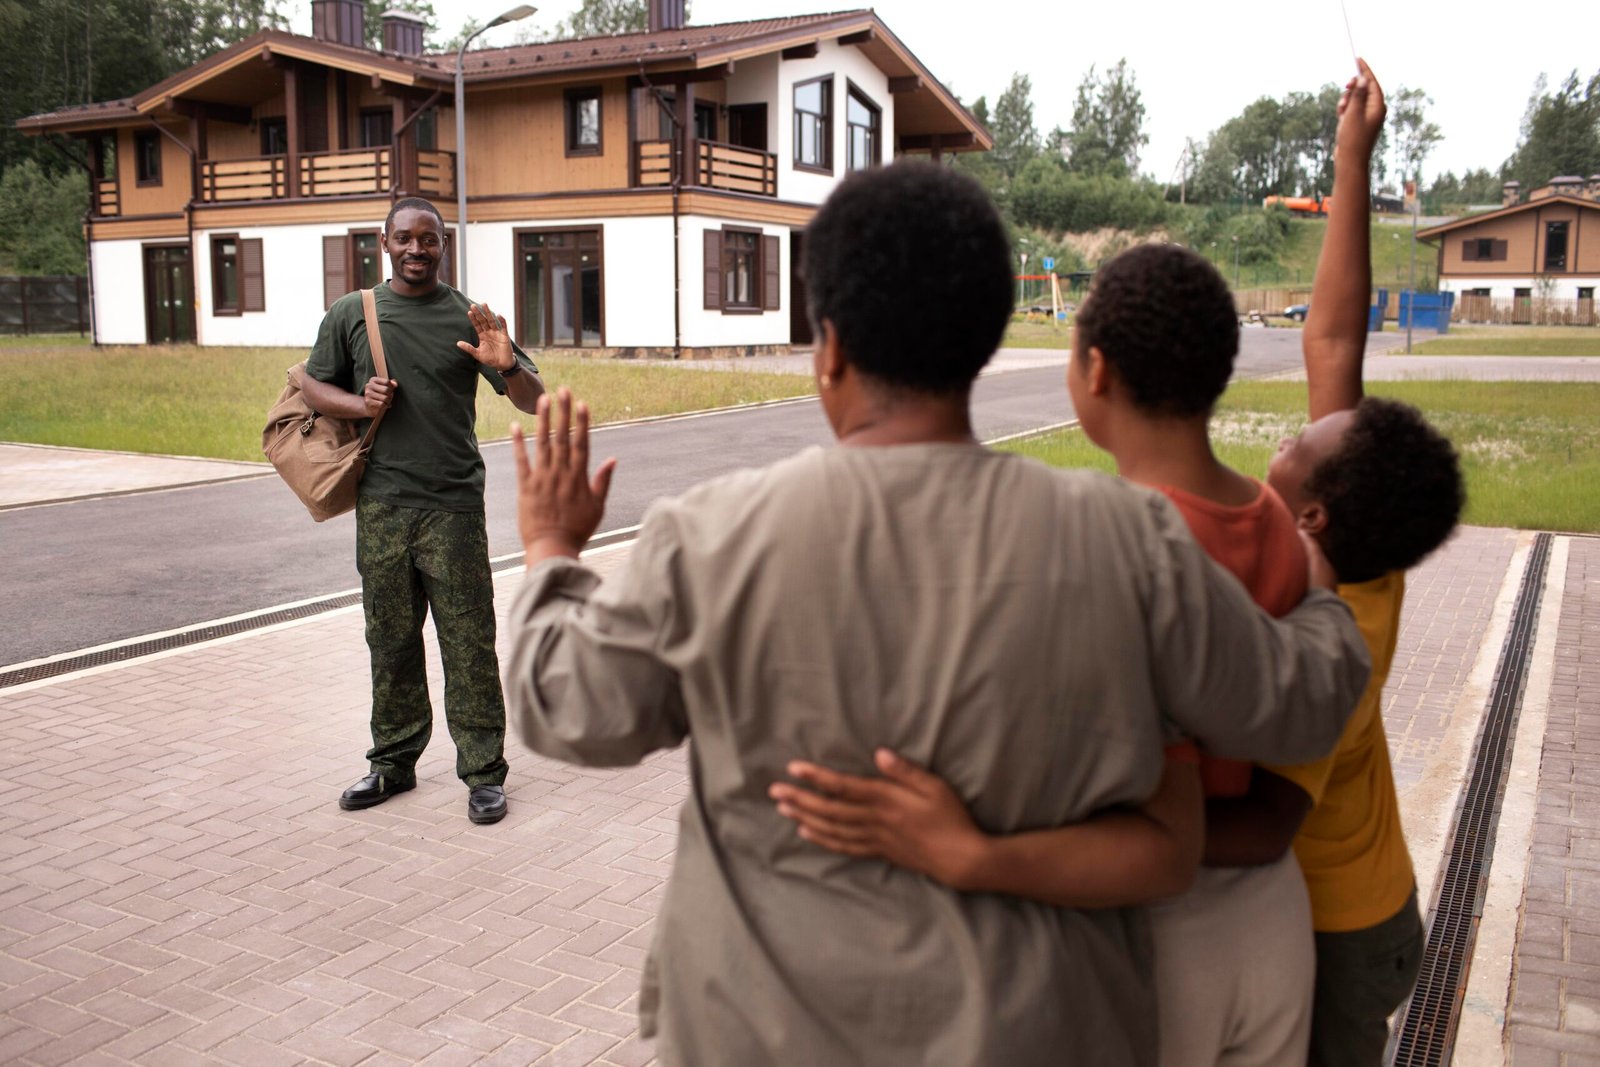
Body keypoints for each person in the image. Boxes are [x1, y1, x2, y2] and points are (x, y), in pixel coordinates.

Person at [500, 161, 1372, 1065]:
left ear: (829, 346)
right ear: (984, 343)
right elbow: (1300, 702)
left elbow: (568, 708)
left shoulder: (712, 536)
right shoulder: (1129, 542)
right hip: (1035, 1031)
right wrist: (1320, 591)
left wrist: (552, 547)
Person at [775, 61, 1463, 1067]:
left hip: (1321, 921)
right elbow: (1331, 335)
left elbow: (1249, 822)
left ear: (1091, 371)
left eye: (1305, 442)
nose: (1296, 432)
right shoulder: (1320, 541)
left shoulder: (1167, 566)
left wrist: (1000, 852)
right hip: (1284, 919)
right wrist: (1350, 159)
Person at [300, 196, 545, 825]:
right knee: (390, 640)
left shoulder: (470, 316)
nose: (417, 250)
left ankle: (484, 772)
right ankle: (393, 763)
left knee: (469, 643)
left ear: (443, 245)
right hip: (381, 505)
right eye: (405, 239)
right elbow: (311, 385)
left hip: (453, 507)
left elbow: (536, 402)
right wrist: (360, 404)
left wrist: (508, 363)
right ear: (384, 242)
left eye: (429, 240)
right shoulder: (352, 314)